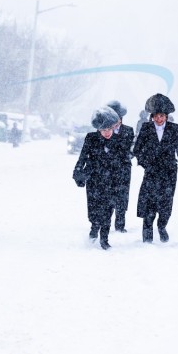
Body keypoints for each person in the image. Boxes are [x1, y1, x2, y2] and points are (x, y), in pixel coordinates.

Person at [132, 93, 178, 243]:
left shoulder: (174, 129)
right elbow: (137, 149)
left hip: (169, 171)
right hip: (151, 172)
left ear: (166, 116)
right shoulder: (145, 128)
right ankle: (147, 234)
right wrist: (145, 162)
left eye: (162, 116)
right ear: (152, 116)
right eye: (156, 116)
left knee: (166, 203)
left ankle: (162, 226)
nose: (159, 119)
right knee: (149, 203)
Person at [72, 106, 127, 250]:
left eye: (109, 129)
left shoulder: (118, 140)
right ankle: (94, 227)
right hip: (94, 179)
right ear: (98, 130)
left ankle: (104, 238)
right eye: (104, 130)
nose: (107, 133)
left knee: (109, 209)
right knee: (94, 208)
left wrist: (121, 180)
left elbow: (123, 162)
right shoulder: (91, 138)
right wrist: (78, 172)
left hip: (112, 181)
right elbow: (82, 156)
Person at [106, 99, 135, 233]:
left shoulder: (129, 130)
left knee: (123, 196)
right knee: (108, 196)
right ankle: (105, 222)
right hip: (108, 169)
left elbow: (130, 148)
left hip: (123, 168)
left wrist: (129, 154)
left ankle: (120, 224)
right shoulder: (104, 132)